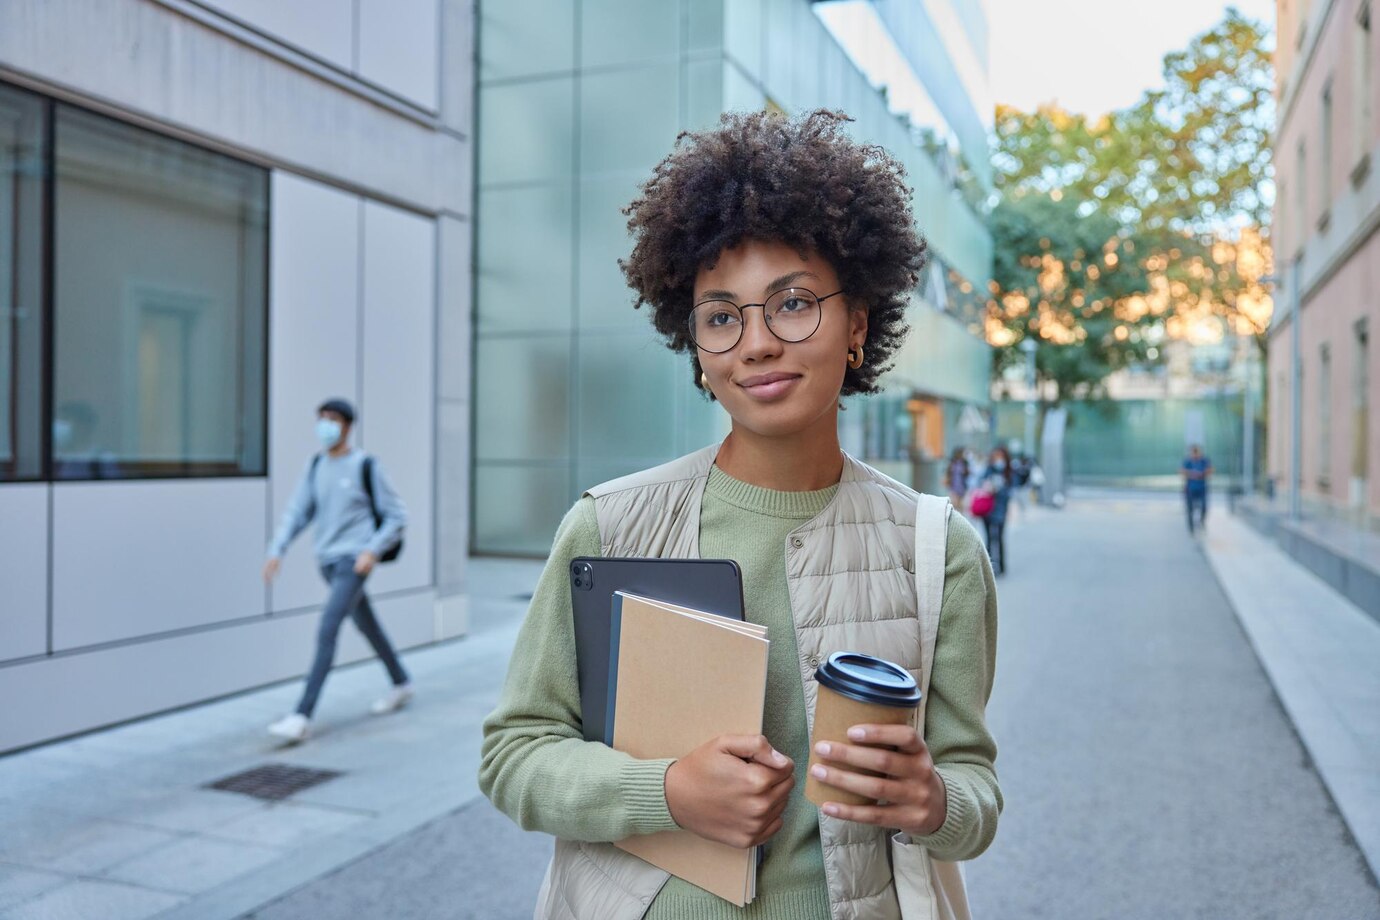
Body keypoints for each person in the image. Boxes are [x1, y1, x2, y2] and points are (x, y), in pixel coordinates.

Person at [479, 110, 1000, 920]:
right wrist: (667, 792)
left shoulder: (937, 551)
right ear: (697, 348)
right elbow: (515, 756)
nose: (755, 342)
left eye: (792, 304)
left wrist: (932, 800)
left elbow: (973, 792)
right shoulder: (608, 527)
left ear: (858, 325)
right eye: (722, 316)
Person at [261, 398, 412, 743]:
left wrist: (371, 551)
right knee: (368, 625)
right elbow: (297, 512)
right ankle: (402, 681)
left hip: (352, 563)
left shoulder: (365, 466)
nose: (325, 426)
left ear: (347, 426)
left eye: (332, 419)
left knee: (327, 629)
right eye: (321, 419)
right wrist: (276, 550)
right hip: (326, 563)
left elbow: (397, 515)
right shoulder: (316, 466)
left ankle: (301, 715)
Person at [974, 447, 1014, 576]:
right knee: (989, 538)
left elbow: (1010, 490)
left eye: (1000, 457)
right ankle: (989, 566)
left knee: (1000, 537)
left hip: (1001, 509)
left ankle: (1002, 566)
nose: (998, 460)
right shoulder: (988, 470)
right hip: (988, 509)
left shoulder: (1008, 471)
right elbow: (980, 483)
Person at [1182, 443, 1213, 534]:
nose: (1195, 454)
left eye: (1197, 452)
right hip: (1190, 489)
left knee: (1204, 507)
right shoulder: (1188, 461)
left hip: (1202, 488)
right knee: (1190, 509)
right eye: (1193, 452)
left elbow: (1210, 470)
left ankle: (1202, 521)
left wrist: (1202, 474)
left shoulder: (1204, 461)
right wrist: (1192, 473)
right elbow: (1182, 471)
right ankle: (1191, 527)